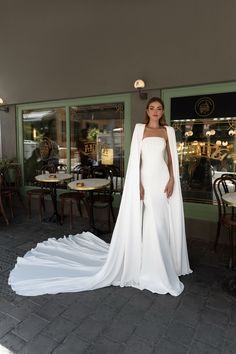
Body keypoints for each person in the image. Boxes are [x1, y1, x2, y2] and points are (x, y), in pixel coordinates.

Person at [9, 97, 192, 297]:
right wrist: (137, 182)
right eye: (152, 108)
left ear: (162, 111)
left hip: (163, 178)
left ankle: (163, 261)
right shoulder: (140, 129)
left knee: (161, 220)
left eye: (159, 108)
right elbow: (135, 161)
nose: (155, 111)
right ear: (147, 111)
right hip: (146, 178)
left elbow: (173, 160)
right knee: (152, 219)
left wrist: (173, 179)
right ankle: (152, 265)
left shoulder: (168, 132)